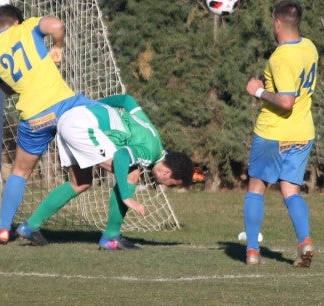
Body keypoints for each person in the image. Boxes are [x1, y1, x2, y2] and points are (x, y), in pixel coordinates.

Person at [15, 93, 194, 250]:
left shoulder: (153, 134)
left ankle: (30, 226)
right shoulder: (150, 153)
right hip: (83, 126)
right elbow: (122, 157)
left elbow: (127, 100)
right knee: (131, 174)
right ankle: (111, 237)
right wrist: (126, 197)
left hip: (70, 119)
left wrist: (95, 104)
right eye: (170, 184)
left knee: (81, 182)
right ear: (167, 173)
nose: (163, 184)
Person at [0, 4, 93, 244]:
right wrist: (56, 47)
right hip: (64, 107)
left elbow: (6, 89)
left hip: (33, 117)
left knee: (20, 171)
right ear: (18, 22)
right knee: (105, 119)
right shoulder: (27, 27)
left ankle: (2, 229)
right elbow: (57, 25)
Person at [241, 0, 319, 267]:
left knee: (256, 189)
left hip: (274, 133)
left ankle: (252, 251)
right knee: (291, 191)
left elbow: (286, 101)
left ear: (277, 22)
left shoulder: (280, 57)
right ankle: (304, 241)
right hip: (302, 133)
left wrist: (258, 91)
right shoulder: (309, 47)